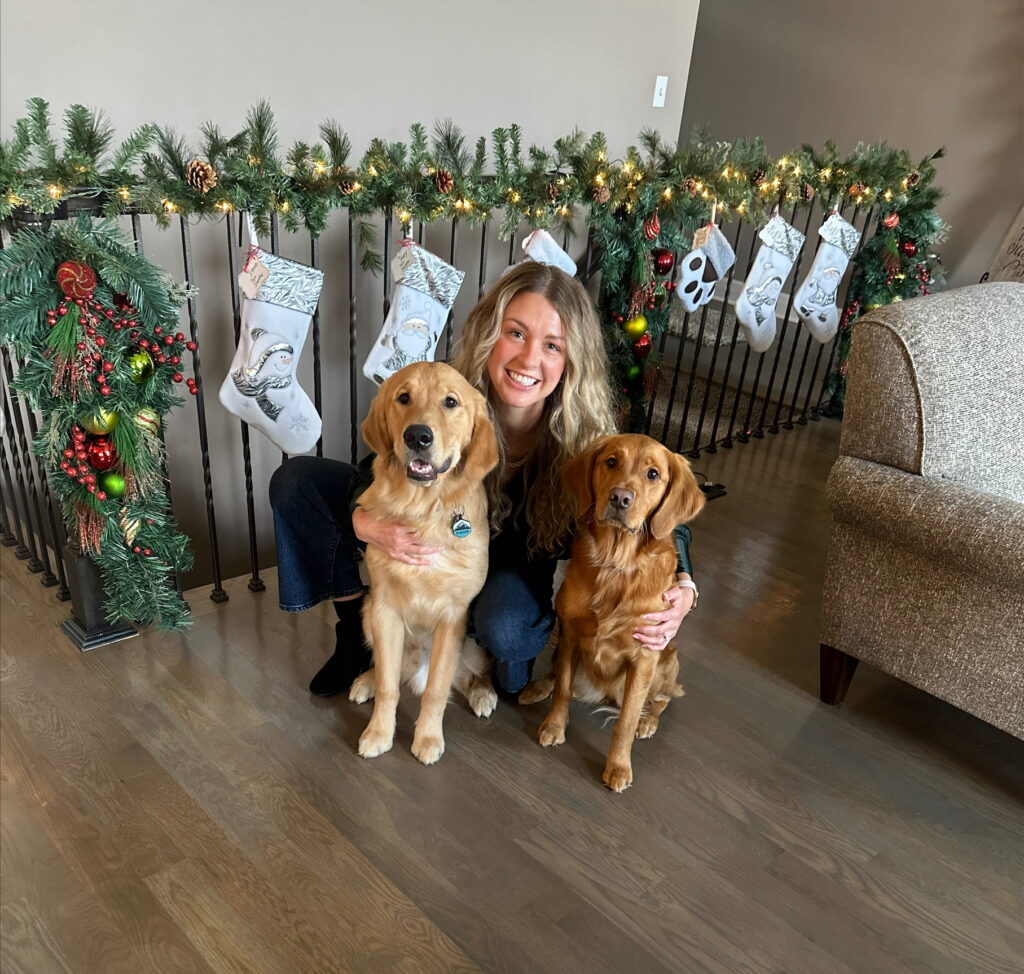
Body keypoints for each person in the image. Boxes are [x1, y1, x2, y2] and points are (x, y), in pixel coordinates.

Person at [269, 261, 697, 698]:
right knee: (298, 481)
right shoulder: (449, 390)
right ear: (489, 333)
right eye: (515, 333)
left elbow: (661, 511)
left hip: (509, 569)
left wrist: (684, 584)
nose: (529, 358)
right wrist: (364, 521)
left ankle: (489, 645)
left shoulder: (588, 439)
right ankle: (355, 634)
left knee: (509, 643)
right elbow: (378, 464)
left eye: (553, 345)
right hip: (434, 541)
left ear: (571, 360)